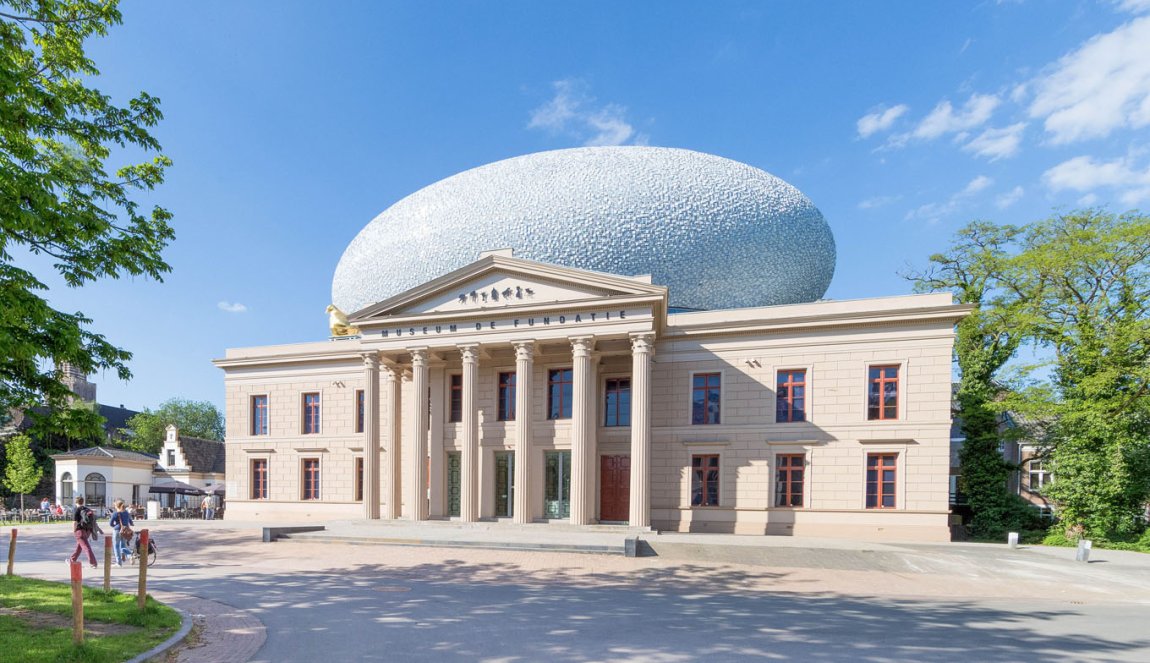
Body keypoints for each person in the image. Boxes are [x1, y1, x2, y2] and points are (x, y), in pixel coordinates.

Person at [67, 496, 99, 569]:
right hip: (88, 531)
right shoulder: (87, 509)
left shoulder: (77, 509)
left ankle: (93, 563)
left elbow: (75, 522)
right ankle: (72, 560)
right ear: (83, 502)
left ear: (76, 502)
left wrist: (74, 530)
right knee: (79, 547)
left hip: (80, 531)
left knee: (85, 547)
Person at [109, 499, 134, 566]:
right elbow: (131, 522)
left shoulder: (115, 513)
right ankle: (130, 554)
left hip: (117, 531)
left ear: (116, 506)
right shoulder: (126, 513)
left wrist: (115, 526)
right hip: (125, 531)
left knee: (116, 546)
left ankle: (119, 562)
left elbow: (110, 523)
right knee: (123, 546)